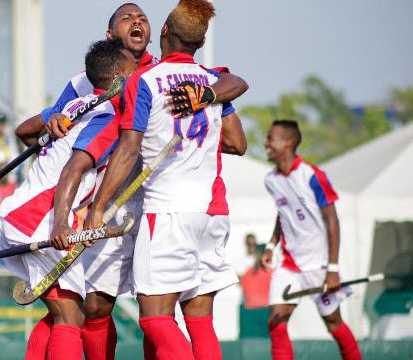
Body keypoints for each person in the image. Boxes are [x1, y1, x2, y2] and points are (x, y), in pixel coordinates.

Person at [85, 1, 248, 359]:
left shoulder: (145, 81)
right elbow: (238, 143)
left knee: (155, 320)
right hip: (213, 212)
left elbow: (128, 150)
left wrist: (98, 208)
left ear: (163, 32)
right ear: (200, 43)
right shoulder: (211, 80)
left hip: (168, 212)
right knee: (199, 319)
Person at [0, 38, 135, 360]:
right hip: (37, 218)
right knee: (72, 316)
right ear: (117, 81)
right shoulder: (109, 116)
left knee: (60, 311)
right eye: (133, 73)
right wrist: (61, 221)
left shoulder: (76, 105)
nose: (137, 79)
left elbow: (24, 131)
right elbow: (72, 170)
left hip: (22, 212)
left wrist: (50, 133)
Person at [260, 120, 361, 360]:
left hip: (320, 266)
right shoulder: (271, 180)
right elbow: (283, 213)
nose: (265, 144)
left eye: (270, 139)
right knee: (276, 323)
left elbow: (333, 221)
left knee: (333, 322)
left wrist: (333, 270)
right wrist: (271, 245)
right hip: (288, 266)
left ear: (288, 142)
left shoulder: (312, 176)